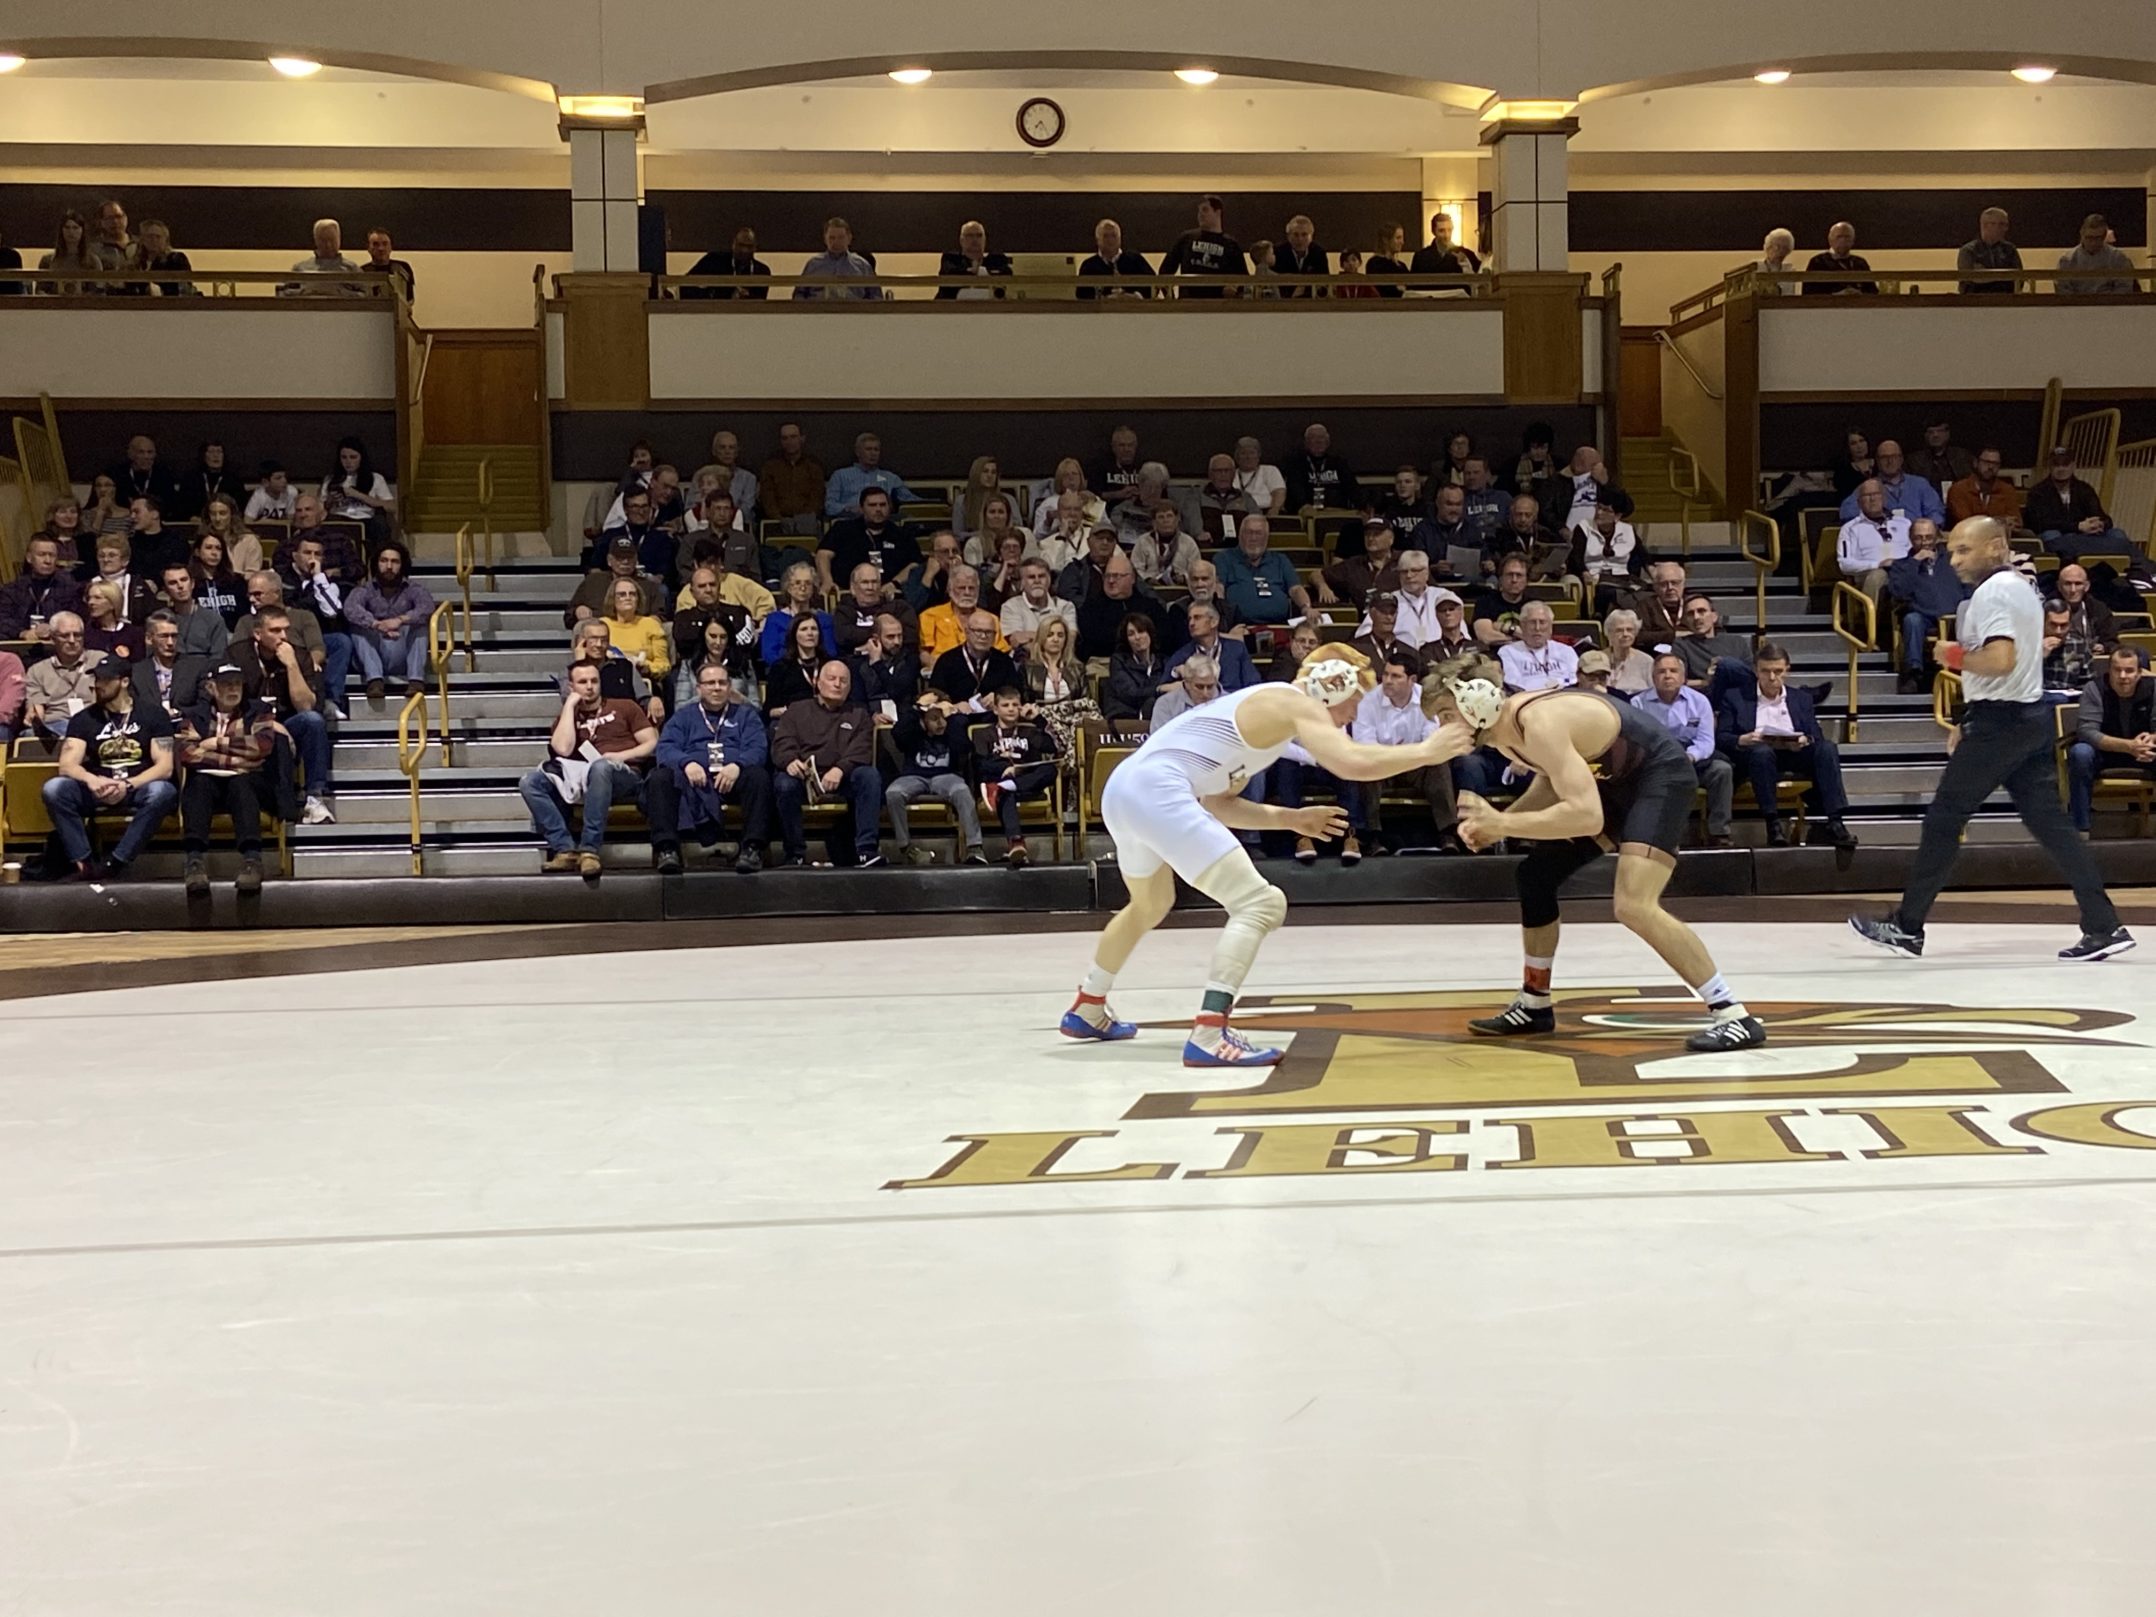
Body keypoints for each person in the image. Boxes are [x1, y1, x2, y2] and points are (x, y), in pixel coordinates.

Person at [1064, 645, 1460, 1066]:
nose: (1353, 714)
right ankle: (1210, 1032)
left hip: (1125, 790)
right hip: (1156, 789)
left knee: (1150, 904)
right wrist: (1427, 751)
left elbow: (1220, 804)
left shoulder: (1268, 721)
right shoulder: (1292, 702)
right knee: (1260, 903)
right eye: (1354, 702)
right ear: (1333, 685)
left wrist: (1292, 819)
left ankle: (1088, 1004)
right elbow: (1350, 763)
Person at [1424, 653, 1769, 1051]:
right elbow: (1552, 781)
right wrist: (1500, 822)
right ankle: (1535, 1002)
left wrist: (1502, 823)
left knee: (1634, 905)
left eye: (1446, 715)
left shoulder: (1538, 721)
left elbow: (1586, 817)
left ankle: (1733, 1015)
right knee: (1535, 877)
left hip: (1660, 777)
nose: (1442, 728)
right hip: (1614, 783)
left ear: (1475, 699)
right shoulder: (1506, 733)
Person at [1852, 518, 2130, 956]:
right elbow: (2014, 666)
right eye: (1952, 551)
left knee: (1945, 817)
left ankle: (1908, 926)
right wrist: (1969, 718)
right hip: (2028, 717)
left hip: (2001, 724)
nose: (1954, 560)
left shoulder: (1993, 592)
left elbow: (2000, 660)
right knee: (2053, 826)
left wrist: (1953, 655)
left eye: (1965, 550)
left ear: (1997, 546)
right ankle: (2104, 924)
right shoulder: (2023, 589)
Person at [521, 658, 671, 878]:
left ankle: (589, 850)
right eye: (583, 682)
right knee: (529, 782)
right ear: (571, 686)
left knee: (601, 767)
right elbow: (563, 749)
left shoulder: (625, 706)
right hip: (581, 778)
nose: (590, 686)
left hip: (624, 775)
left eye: (594, 681)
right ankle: (564, 849)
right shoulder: (567, 717)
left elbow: (652, 742)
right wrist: (570, 706)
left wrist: (619, 757)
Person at [38, 652, 178, 882]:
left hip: (136, 786)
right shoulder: (84, 718)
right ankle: (84, 863)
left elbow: (164, 767)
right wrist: (93, 780)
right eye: (97, 679)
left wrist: (127, 785)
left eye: (105, 679)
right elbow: (67, 765)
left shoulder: (153, 714)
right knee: (54, 789)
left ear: (124, 681)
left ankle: (116, 862)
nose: (98, 685)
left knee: (163, 791)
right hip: (98, 786)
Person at [174, 661, 285, 896]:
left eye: (237, 683)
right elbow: (187, 753)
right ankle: (194, 861)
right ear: (211, 688)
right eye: (226, 684)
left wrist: (216, 743)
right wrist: (235, 760)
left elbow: (261, 746)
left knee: (241, 785)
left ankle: (252, 860)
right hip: (211, 780)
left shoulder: (259, 710)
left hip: (250, 782)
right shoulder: (194, 714)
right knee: (198, 784)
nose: (233, 689)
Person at [1343, 648, 1462, 857]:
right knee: (1366, 766)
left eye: (1396, 676)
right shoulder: (1368, 701)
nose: (1387, 681)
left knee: (1439, 763)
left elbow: (1432, 739)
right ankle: (1372, 838)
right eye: (1386, 674)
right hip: (1382, 764)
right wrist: (1396, 755)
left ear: (1412, 680)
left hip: (1417, 763)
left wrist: (1408, 754)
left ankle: (1448, 834)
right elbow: (1365, 744)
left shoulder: (1427, 698)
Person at [653, 663, 771, 873]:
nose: (717, 688)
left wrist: (738, 765)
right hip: (694, 780)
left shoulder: (745, 715)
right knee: (659, 778)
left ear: (729, 687)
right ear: (698, 688)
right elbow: (666, 748)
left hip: (733, 779)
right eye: (710, 683)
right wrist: (686, 763)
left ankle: (752, 848)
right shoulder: (683, 716)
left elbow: (758, 748)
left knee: (758, 776)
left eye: (722, 683)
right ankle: (667, 849)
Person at [228, 604, 335, 825]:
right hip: (248, 723)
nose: (283, 636)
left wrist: (292, 665)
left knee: (313, 721)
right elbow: (232, 704)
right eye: (275, 631)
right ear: (258, 634)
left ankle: (314, 798)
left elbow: (306, 706)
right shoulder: (237, 655)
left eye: (286, 629)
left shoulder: (299, 655)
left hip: (289, 722)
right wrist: (267, 723)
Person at [773, 660, 884, 867]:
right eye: (831, 679)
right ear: (817, 682)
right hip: (804, 776)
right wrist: (790, 761)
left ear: (850, 687)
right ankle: (795, 853)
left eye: (843, 680)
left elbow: (862, 749)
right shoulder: (797, 710)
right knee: (784, 784)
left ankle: (866, 850)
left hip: (843, 775)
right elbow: (782, 742)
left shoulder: (859, 714)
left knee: (869, 776)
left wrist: (840, 769)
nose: (837, 684)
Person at [1633, 652, 1734, 846]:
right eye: (1662, 671)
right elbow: (1640, 741)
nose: (1668, 676)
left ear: (1682, 676)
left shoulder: (1700, 701)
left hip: (1692, 759)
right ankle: (1661, 835)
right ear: (1653, 677)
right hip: (1657, 760)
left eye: (1673, 671)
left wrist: (1690, 756)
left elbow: (1706, 741)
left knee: (1722, 770)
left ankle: (1719, 832)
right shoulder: (1638, 703)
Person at [886, 700, 986, 866]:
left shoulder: (953, 726)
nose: (940, 723)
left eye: (942, 718)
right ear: (923, 720)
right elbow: (898, 734)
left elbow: (963, 747)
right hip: (914, 776)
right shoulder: (912, 729)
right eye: (934, 719)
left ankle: (975, 848)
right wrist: (917, 711)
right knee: (893, 793)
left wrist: (951, 719)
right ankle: (907, 848)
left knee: (962, 791)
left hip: (945, 776)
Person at [972, 687, 1058, 865]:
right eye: (1005, 705)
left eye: (1015, 705)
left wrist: (1038, 719)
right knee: (1005, 791)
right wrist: (1005, 767)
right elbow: (980, 764)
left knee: (1050, 769)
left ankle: (1004, 787)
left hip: (1026, 783)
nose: (1011, 709)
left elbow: (1051, 748)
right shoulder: (983, 734)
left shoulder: (1029, 731)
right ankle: (1016, 842)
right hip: (1000, 782)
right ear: (995, 709)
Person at [1886, 519, 1972, 692]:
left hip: (1954, 615)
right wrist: (1914, 563)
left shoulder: (1953, 560)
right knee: (1912, 620)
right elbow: (1899, 592)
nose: (1924, 542)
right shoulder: (1901, 566)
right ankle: (1913, 673)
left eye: (1928, 537)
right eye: (1919, 538)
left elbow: (1969, 587)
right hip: (1922, 614)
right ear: (1911, 539)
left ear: (1937, 537)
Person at [345, 540, 438, 698]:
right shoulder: (365, 589)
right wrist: (376, 624)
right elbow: (350, 608)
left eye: (395, 562)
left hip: (402, 650)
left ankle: (416, 681)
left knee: (420, 625)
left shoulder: (414, 589)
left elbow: (427, 607)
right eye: (384, 561)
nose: (389, 566)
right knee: (358, 627)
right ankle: (374, 681)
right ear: (376, 564)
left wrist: (400, 620)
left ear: (402, 565)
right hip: (374, 651)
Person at [2025, 448, 2135, 561]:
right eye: (2056, 464)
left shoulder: (2084, 489)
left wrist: (2099, 524)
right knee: (2051, 535)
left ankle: (2129, 568)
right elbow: (2039, 524)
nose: (2061, 468)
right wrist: (2078, 527)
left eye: (2065, 464)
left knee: (2117, 533)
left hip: (2085, 535)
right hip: (2062, 534)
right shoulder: (2038, 492)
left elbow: (2102, 516)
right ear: (2050, 466)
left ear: (2073, 466)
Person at [20, 614, 104, 746]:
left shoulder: (100, 660)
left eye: (77, 635)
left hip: (92, 721)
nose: (72, 640)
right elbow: (36, 707)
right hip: (55, 725)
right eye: (65, 636)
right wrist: (34, 716)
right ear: (53, 639)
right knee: (30, 735)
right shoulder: (37, 670)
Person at [1216, 515, 1312, 627]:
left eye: (1258, 533)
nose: (1253, 538)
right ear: (1240, 535)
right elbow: (1218, 589)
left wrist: (1306, 608)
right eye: (1249, 532)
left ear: (1266, 537)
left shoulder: (1280, 560)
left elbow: (1296, 589)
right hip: (1239, 628)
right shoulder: (1223, 559)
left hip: (1279, 626)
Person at [1837, 480, 1912, 612]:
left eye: (1876, 494)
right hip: (1870, 574)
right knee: (1878, 576)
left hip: (1903, 570)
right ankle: (1872, 623)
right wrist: (1877, 564)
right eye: (1867, 495)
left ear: (1884, 498)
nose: (1872, 499)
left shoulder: (1904, 523)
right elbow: (1844, 564)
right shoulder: (1850, 529)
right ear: (1859, 502)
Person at [0, 535, 85, 643]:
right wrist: (22, 633)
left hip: (57, 644)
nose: (48, 560)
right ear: (29, 558)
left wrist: (54, 628)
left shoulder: (70, 588)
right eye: (42, 555)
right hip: (20, 643)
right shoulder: (13, 589)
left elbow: (76, 617)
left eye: (52, 555)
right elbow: (3, 618)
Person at [1837, 441, 1945, 526]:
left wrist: (1926, 529)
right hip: (1881, 538)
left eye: (1894, 457)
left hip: (1916, 539)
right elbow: (1846, 513)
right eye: (1884, 458)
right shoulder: (1868, 487)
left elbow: (1936, 512)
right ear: (1877, 461)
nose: (1890, 461)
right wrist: (1872, 519)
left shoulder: (1920, 484)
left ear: (1901, 459)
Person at [1159, 194, 1247, 297]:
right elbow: (1165, 271)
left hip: (1218, 303)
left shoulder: (1231, 245)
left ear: (1217, 212)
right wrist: (1170, 298)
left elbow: (1244, 280)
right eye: (1199, 211)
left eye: (1205, 210)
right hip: (1188, 303)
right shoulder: (1186, 239)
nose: (1200, 214)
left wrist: (1234, 289)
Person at [1165, 601, 1259, 692]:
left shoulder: (1236, 649)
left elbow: (1253, 683)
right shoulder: (1183, 654)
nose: (1191, 623)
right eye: (1189, 619)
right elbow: (1160, 687)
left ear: (1214, 622)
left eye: (1197, 618)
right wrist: (1180, 681)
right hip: (1199, 701)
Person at [1672, 594, 1755, 693]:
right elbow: (1678, 680)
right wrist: (1707, 682)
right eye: (1690, 614)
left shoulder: (1737, 642)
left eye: (1701, 611)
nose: (1696, 617)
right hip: (1702, 696)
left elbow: (1751, 675)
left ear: (1714, 616)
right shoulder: (1682, 645)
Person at [757, 423, 825, 536]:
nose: (789, 441)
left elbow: (817, 497)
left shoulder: (814, 466)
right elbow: (767, 498)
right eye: (785, 438)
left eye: (793, 437)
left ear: (802, 439)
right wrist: (779, 518)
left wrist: (804, 518)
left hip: (808, 522)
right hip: (776, 522)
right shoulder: (770, 467)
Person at [1497, 601, 1580, 692]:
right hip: (1530, 698)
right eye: (1532, 622)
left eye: (1542, 622)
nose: (1537, 628)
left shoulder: (1566, 651)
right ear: (1522, 626)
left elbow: (1576, 679)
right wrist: (1546, 686)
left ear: (1550, 627)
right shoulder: (1508, 652)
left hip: (1564, 695)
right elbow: (1514, 684)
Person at [1320, 518, 1401, 609]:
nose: (1370, 538)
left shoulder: (1404, 561)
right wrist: (1322, 587)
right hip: (1363, 615)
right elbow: (1316, 575)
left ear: (1391, 539)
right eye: (1367, 535)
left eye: (1376, 534)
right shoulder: (1353, 565)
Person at [793, 217, 881, 301]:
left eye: (841, 238)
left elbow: (876, 296)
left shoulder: (862, 265)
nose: (836, 242)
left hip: (854, 309)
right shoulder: (813, 264)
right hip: (818, 309)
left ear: (849, 238)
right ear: (825, 239)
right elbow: (798, 295)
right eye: (832, 238)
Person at [999, 558, 1076, 651]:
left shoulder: (1065, 607)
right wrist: (1055, 637)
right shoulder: (1010, 607)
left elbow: (1069, 641)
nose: (1037, 581)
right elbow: (1016, 641)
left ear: (1049, 579)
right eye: (1031, 577)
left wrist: (1030, 636)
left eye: (1041, 576)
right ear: (1022, 582)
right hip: (1025, 659)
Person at [1104, 614, 1167, 723]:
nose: (1137, 637)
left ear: (1150, 634)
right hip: (1127, 718)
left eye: (1141, 631)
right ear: (1126, 640)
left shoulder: (1163, 661)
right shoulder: (1119, 661)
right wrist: (1160, 688)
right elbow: (1131, 694)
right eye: (1131, 634)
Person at [1945, 445, 2024, 531]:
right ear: (1975, 463)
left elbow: (2016, 523)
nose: (1990, 467)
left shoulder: (2007, 490)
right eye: (1986, 462)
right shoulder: (1959, 489)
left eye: (1995, 464)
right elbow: (1966, 522)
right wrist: (2001, 521)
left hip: (2001, 536)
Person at [2056, 213, 2137, 296]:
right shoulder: (2067, 260)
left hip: (2110, 302)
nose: (2093, 243)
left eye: (2098, 238)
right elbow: (2063, 290)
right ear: (2081, 234)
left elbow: (2124, 288)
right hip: (2077, 303)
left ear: (2104, 236)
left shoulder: (2118, 258)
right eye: (2089, 238)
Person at [682, 226, 769, 300]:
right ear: (733, 244)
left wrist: (747, 297)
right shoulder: (713, 261)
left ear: (755, 248)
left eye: (749, 246)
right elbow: (685, 286)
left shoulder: (762, 271)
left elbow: (761, 301)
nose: (744, 250)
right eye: (741, 245)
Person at [1077, 218, 1153, 299]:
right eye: (1105, 236)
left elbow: (1153, 284)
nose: (1110, 240)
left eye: (1114, 235)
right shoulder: (1088, 266)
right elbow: (1082, 294)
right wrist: (1104, 299)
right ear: (1097, 240)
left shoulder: (1135, 259)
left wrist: (1135, 296)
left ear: (1120, 238)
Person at [1132, 501, 1202, 588]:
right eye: (1161, 517)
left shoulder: (1189, 542)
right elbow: (1136, 568)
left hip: (1181, 589)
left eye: (1169, 516)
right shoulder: (1143, 541)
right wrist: (1147, 579)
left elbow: (1197, 569)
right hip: (1150, 588)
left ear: (1177, 519)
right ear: (1154, 522)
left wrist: (1184, 578)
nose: (1166, 520)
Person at [173, 441, 246, 525]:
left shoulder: (233, 480)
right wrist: (190, 517)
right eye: (211, 452)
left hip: (226, 524)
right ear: (204, 456)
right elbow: (181, 507)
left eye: (219, 452)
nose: (216, 455)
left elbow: (239, 507)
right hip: (196, 524)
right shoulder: (191, 479)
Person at [284, 219, 364, 294]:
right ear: (316, 240)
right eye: (323, 240)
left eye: (332, 240)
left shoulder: (352, 269)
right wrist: (305, 292)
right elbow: (284, 293)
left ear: (339, 239)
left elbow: (366, 295)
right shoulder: (300, 268)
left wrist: (342, 294)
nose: (328, 245)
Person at [936, 220, 1012, 299]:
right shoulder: (951, 258)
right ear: (961, 240)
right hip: (952, 305)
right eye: (970, 236)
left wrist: (981, 271)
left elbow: (1006, 274)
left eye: (979, 236)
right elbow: (950, 275)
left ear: (984, 240)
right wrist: (973, 272)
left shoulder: (996, 259)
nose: (975, 239)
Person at [1957, 208, 2022, 294]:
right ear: (1985, 225)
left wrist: (1985, 276)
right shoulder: (1968, 250)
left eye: (2006, 225)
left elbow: (2020, 278)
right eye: (2001, 224)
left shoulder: (2010, 249)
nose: (2005, 229)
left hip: (2006, 299)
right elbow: (1968, 281)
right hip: (1975, 300)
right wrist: (2004, 277)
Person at [198, 492, 265, 576]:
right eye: (213, 514)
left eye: (222, 513)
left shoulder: (249, 541)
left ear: (232, 515)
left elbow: (253, 574)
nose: (217, 519)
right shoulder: (203, 540)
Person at [1803, 221, 1877, 296]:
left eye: (1847, 237)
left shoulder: (1860, 263)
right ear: (1830, 240)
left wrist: (1859, 294)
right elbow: (1808, 293)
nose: (1843, 240)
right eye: (1839, 237)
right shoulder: (1818, 262)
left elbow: (1873, 291)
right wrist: (1836, 296)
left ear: (1853, 241)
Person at [36, 210, 95, 294]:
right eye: (67, 227)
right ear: (61, 231)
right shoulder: (48, 260)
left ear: (82, 231)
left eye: (75, 227)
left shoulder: (92, 261)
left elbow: (97, 292)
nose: (71, 232)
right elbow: (40, 290)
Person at [1906, 420, 1974, 489]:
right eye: (1931, 432)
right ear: (1925, 435)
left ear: (1947, 433)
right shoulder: (1915, 460)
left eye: (1940, 431)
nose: (1935, 435)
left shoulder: (1962, 456)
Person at [361, 228, 416, 301]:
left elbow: (410, 299)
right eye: (376, 244)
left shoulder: (402, 268)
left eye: (385, 244)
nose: (381, 248)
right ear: (368, 248)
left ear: (391, 247)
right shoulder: (362, 272)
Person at [1754, 228, 1797, 294]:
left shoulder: (1789, 270)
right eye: (1777, 247)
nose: (1781, 251)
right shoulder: (1756, 268)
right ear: (1768, 247)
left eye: (1785, 248)